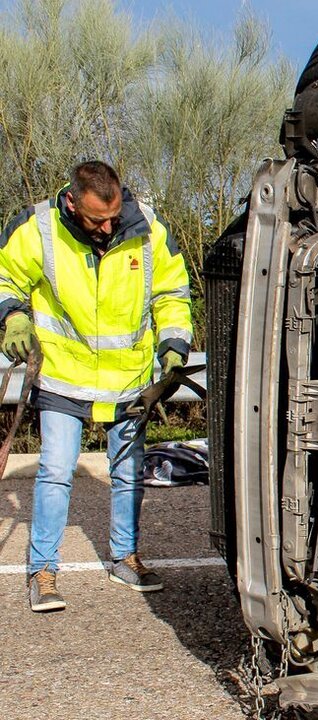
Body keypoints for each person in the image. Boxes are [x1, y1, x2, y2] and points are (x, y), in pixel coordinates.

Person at [0, 161, 192, 612]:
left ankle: (125, 557)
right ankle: (42, 571)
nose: (107, 227)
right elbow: (5, 275)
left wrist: (174, 343)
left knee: (128, 474)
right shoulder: (39, 226)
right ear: (72, 201)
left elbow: (172, 291)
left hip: (129, 379)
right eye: (95, 220)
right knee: (55, 472)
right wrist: (12, 315)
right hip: (64, 376)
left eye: (112, 216)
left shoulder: (146, 225)